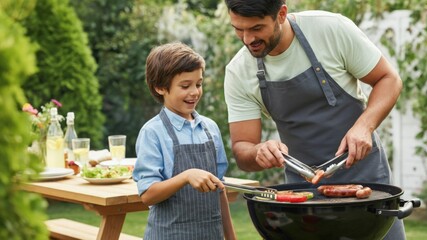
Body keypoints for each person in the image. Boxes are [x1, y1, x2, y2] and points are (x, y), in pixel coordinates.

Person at [223, 0, 405, 239]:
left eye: (257, 28)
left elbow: (388, 79)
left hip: (367, 184)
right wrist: (258, 152)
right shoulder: (239, 71)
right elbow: (242, 148)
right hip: (303, 194)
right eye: (239, 29)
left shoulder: (330, 30)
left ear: (281, 14)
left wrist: (364, 126)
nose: (247, 39)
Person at [133, 42, 236, 240]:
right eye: (185, 86)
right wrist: (186, 176)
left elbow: (219, 190)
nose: (195, 92)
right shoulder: (153, 132)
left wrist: (231, 238)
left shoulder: (210, 129)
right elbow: (148, 194)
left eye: (198, 84)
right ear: (160, 87)